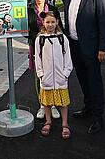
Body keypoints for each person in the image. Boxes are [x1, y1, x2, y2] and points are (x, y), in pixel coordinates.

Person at [64, 0, 105, 134]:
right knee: (83, 79)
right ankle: (88, 107)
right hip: (74, 46)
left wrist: (103, 47)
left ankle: (98, 117)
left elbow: (104, 21)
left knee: (94, 81)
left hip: (92, 48)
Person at [34, 11, 73, 139]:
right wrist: (41, 74)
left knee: (63, 102)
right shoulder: (39, 39)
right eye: (47, 22)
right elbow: (37, 58)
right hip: (46, 77)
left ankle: (65, 123)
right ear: (43, 23)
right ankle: (48, 121)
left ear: (57, 22)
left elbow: (67, 57)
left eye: (52, 22)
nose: (50, 24)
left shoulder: (62, 38)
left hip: (61, 77)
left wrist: (66, 73)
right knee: (47, 102)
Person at [27, 0, 63, 120]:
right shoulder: (29, 11)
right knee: (39, 76)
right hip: (36, 47)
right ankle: (42, 105)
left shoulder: (53, 9)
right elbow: (27, 31)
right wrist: (38, 38)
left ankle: (53, 105)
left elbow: (60, 28)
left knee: (52, 75)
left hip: (53, 47)